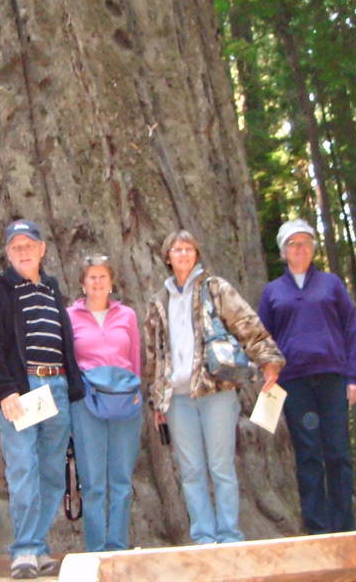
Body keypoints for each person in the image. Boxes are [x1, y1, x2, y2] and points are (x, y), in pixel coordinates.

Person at [145, 229, 284, 544]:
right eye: (177, 249)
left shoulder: (215, 288)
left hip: (216, 390)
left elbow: (246, 323)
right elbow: (154, 355)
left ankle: (229, 532)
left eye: (189, 248)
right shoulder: (158, 302)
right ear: (167, 257)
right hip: (177, 398)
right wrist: (156, 402)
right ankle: (203, 535)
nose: (183, 254)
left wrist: (268, 360)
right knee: (191, 470)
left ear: (196, 253)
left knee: (221, 465)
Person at [0, 219, 84, 579]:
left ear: (42, 249)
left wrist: (72, 387)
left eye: (29, 245)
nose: (23, 251)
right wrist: (4, 390)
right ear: (8, 253)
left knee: (53, 472)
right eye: (15, 246)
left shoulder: (53, 290)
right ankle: (24, 550)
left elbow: (65, 342)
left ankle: (38, 546)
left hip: (56, 389)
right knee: (22, 468)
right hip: (21, 389)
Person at [258, 218, 356, 534]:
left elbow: (350, 331)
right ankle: (317, 528)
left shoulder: (331, 284)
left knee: (338, 452)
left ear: (313, 248)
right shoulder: (273, 291)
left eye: (304, 242)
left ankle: (344, 526)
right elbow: (264, 337)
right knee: (308, 455)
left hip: (332, 378)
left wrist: (353, 376)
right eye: (293, 244)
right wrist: (268, 369)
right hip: (295, 382)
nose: (299, 249)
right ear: (283, 251)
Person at [67, 254, 142, 552]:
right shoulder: (70, 316)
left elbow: (135, 357)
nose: (97, 282)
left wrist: (139, 392)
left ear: (112, 282)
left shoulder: (128, 316)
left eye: (103, 277)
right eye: (91, 277)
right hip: (87, 401)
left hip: (125, 401)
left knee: (121, 479)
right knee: (93, 480)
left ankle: (118, 545)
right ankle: (97, 548)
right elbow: (68, 362)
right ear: (83, 283)